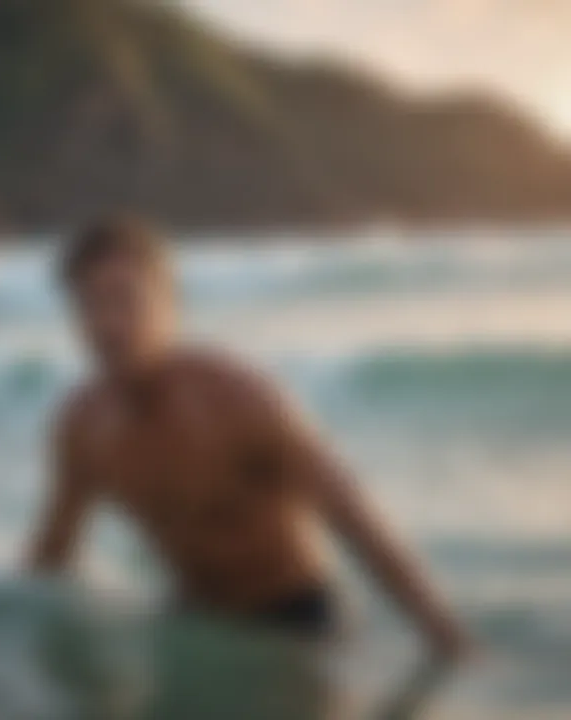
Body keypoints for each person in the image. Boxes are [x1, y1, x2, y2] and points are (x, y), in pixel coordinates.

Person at [28, 216, 468, 660]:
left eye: (125, 299)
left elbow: (357, 520)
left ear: (169, 305)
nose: (108, 323)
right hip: (193, 625)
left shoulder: (240, 401)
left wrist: (447, 640)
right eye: (89, 305)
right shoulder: (82, 427)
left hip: (295, 619)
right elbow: (50, 558)